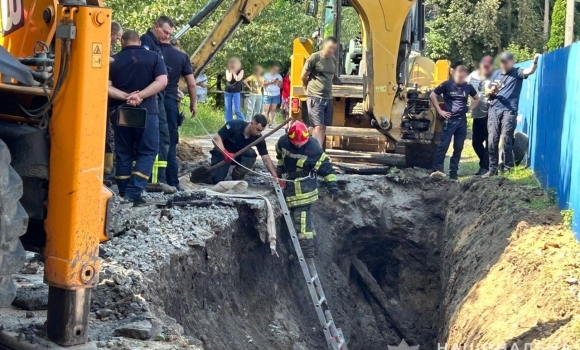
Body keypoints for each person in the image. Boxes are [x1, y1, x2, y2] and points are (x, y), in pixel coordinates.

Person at [107, 30, 168, 206]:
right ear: (139, 42)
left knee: (124, 151)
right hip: (147, 112)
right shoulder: (154, 57)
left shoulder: (114, 60)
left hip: (121, 112)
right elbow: (162, 81)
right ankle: (134, 192)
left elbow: (106, 87)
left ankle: (124, 190)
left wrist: (127, 96)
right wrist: (140, 96)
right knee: (148, 151)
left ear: (122, 42)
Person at [275, 121, 338, 259]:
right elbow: (280, 155)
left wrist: (333, 186)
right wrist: (280, 168)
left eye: (301, 143)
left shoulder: (313, 148)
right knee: (304, 222)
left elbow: (326, 168)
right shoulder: (283, 142)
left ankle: (306, 252)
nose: (298, 144)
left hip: (305, 191)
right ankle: (311, 248)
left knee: (302, 221)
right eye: (295, 142)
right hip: (290, 188)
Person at [483, 51, 541, 177]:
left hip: (509, 111)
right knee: (492, 140)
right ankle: (492, 169)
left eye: (506, 62)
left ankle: (507, 168)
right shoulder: (495, 74)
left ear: (511, 62)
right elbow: (486, 90)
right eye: (502, 62)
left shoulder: (517, 72)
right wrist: (491, 91)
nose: (504, 65)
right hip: (493, 110)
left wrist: (535, 62)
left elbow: (529, 71)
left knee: (506, 140)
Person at [140, 16, 175, 193]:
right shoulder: (147, 42)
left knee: (162, 137)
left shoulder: (155, 44)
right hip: (152, 99)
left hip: (157, 96)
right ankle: (155, 180)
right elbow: (147, 70)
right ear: (156, 26)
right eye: (165, 32)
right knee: (161, 137)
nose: (167, 36)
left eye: (169, 34)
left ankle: (154, 178)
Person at [429, 65, 479, 180]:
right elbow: (433, 95)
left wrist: (470, 108)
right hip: (449, 120)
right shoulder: (447, 84)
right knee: (443, 145)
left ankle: (453, 173)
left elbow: (476, 98)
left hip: (462, 121)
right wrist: (440, 111)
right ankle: (436, 170)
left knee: (458, 147)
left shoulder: (468, 86)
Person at [160, 39, 197, 191]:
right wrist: (193, 104)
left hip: (151, 100)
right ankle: (172, 182)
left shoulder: (153, 51)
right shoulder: (181, 57)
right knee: (170, 142)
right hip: (169, 102)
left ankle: (156, 179)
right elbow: (192, 84)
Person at [209, 114, 278, 184]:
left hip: (236, 156)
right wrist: (225, 153)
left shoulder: (258, 138)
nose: (258, 133)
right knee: (217, 180)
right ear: (252, 123)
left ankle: (237, 175)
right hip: (222, 153)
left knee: (251, 154)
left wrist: (275, 176)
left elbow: (266, 158)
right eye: (257, 129)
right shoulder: (234, 125)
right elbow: (216, 138)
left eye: (261, 131)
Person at [301, 37, 338, 148]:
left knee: (323, 126)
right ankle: (316, 152)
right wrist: (306, 88)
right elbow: (303, 76)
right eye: (330, 48)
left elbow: (330, 77)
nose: (331, 51)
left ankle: (320, 152)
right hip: (315, 97)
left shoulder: (333, 60)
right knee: (317, 126)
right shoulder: (315, 58)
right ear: (324, 46)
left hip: (328, 97)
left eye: (334, 49)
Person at [466, 55, 493, 175]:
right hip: (477, 115)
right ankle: (485, 164)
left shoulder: (494, 77)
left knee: (488, 142)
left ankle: (485, 167)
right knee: (476, 142)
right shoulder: (473, 75)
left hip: (489, 114)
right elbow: (463, 87)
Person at [105, 22, 124, 177]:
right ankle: (107, 169)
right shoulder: (102, 47)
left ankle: (108, 168)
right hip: (105, 97)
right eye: (116, 37)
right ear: (110, 33)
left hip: (107, 101)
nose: (117, 41)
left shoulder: (109, 49)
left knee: (108, 134)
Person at [224, 57, 245, 122]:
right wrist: (231, 71)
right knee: (228, 109)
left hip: (236, 92)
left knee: (236, 109)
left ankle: (242, 121)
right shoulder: (227, 70)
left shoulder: (241, 71)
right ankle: (228, 123)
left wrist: (234, 73)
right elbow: (229, 79)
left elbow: (238, 79)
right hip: (228, 91)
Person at [263, 64, 283, 128]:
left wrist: (278, 82)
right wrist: (271, 82)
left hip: (276, 94)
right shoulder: (266, 75)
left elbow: (281, 86)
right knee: (265, 109)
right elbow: (263, 84)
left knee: (273, 109)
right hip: (267, 94)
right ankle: (262, 123)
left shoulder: (279, 76)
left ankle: (270, 123)